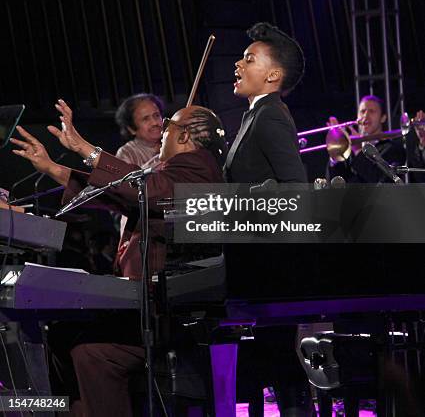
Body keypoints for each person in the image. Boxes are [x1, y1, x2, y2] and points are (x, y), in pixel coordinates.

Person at [11, 103, 228, 417]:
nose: (161, 132)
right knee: (62, 334)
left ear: (182, 137)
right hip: (148, 308)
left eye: (166, 125)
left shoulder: (197, 166)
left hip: (168, 316)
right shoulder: (175, 173)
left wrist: (85, 148)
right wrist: (51, 168)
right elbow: (115, 194)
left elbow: (147, 189)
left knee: (92, 353)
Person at [224, 22, 311, 417]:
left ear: (273, 75)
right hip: (254, 257)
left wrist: (246, 201)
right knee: (267, 354)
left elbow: (296, 188)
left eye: (249, 59)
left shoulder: (271, 115)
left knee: (277, 354)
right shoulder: (254, 115)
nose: (239, 65)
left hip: (271, 260)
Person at [325, 94, 406, 184]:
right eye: (362, 111)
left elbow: (379, 181)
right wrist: (336, 151)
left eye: (371, 111)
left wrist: (358, 150)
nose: (365, 116)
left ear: (383, 118)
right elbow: (334, 184)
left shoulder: (394, 149)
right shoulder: (348, 150)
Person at [114, 93, 164, 236]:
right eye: (146, 119)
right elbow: (125, 191)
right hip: (144, 227)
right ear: (131, 128)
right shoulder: (126, 153)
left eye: (156, 115)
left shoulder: (173, 143)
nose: (155, 122)